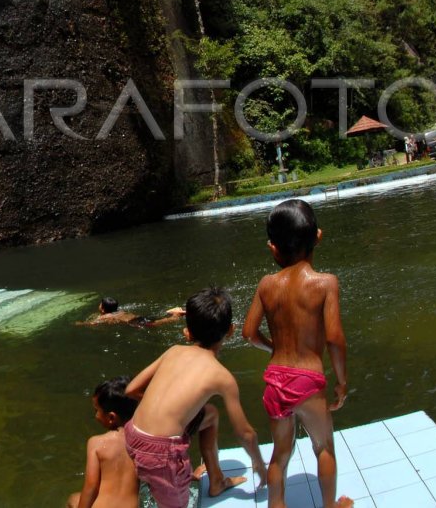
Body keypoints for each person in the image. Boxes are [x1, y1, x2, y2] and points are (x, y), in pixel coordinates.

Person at [242, 199, 352, 508]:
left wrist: (275, 349)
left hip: (275, 380)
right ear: (318, 236)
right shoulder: (326, 284)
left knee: (280, 454)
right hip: (308, 379)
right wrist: (341, 381)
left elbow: (249, 334)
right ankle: (331, 506)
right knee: (324, 447)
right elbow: (334, 338)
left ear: (273, 248)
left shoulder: (266, 285)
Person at [124, 286, 266, 508]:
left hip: (132, 435)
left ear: (187, 331)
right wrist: (260, 466)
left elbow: (131, 390)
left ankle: (216, 480)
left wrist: (164, 415)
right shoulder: (222, 376)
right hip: (162, 453)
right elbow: (245, 433)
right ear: (230, 330)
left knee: (210, 414)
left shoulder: (173, 351)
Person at [66, 376, 140, 508]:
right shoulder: (144, 443)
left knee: (73, 499)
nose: (95, 416)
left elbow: (91, 487)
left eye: (97, 410)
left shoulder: (96, 443)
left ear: (111, 417)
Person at [78, 297, 185, 328]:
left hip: (136, 322)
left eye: (100, 304)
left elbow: (92, 323)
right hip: (138, 317)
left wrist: (80, 324)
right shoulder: (120, 311)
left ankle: (175, 316)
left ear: (102, 309)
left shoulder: (105, 317)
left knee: (158, 323)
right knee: (155, 318)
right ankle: (172, 312)